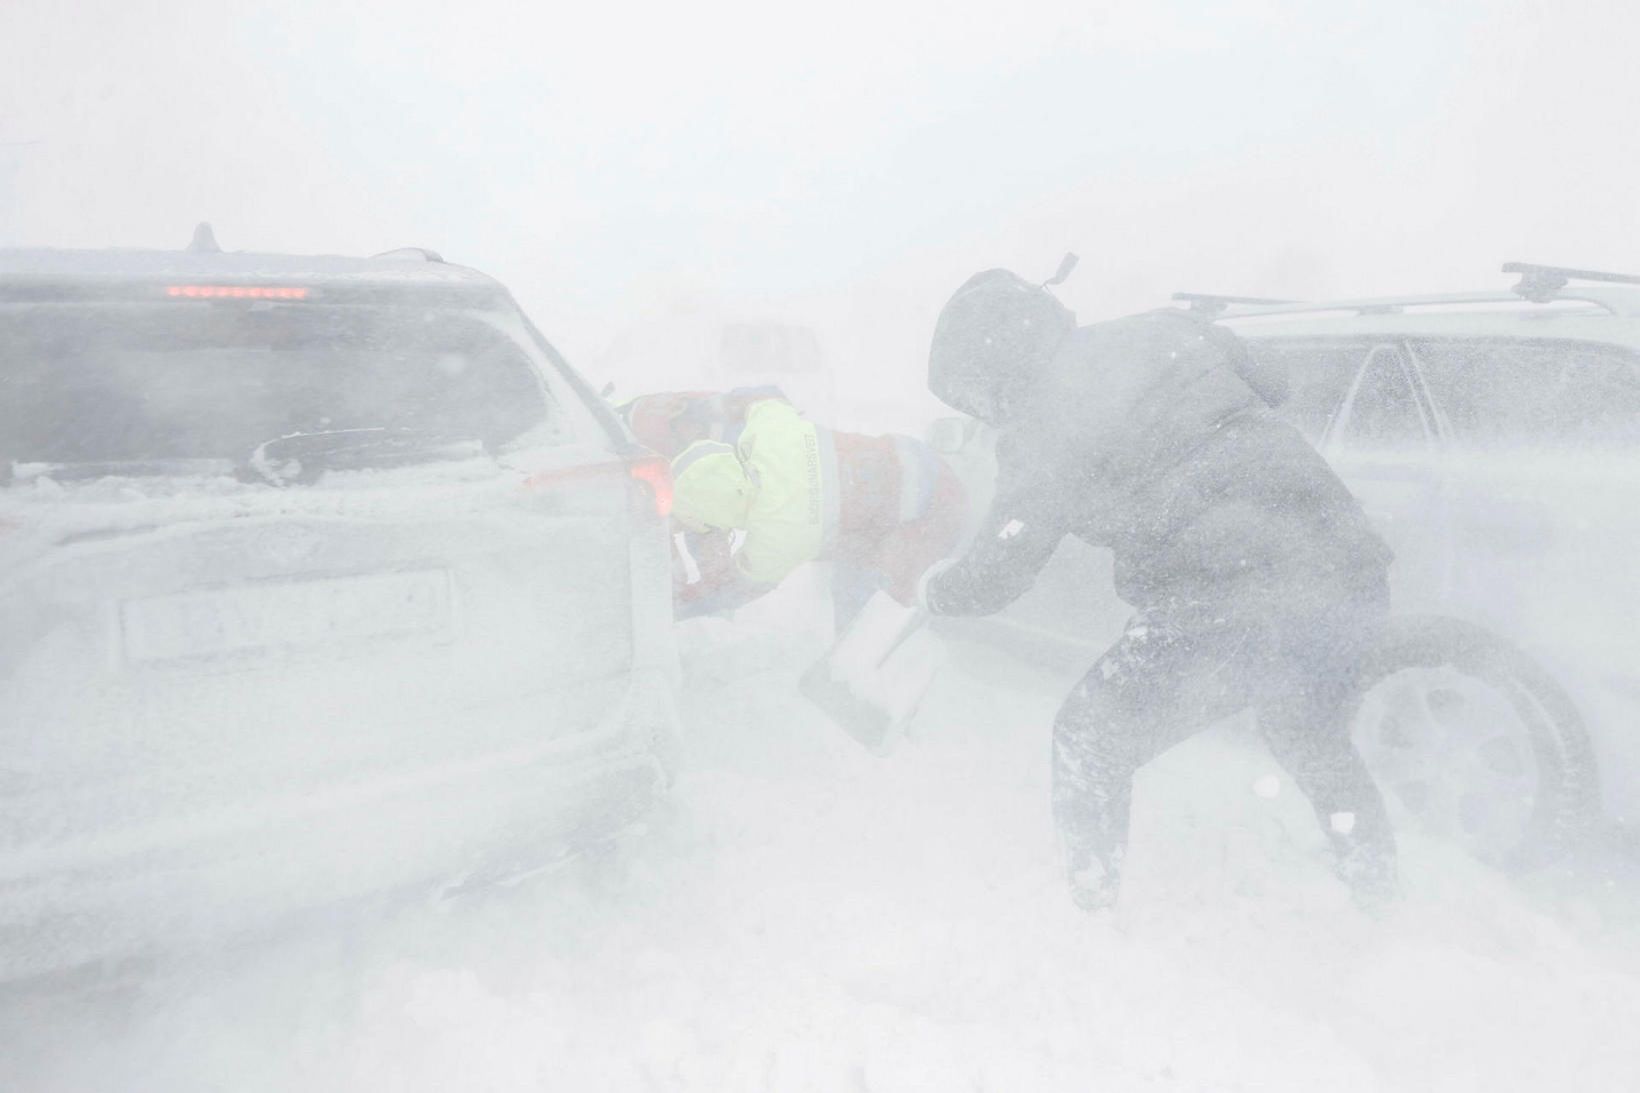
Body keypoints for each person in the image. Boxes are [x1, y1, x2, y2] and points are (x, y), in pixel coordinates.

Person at [916, 263, 1398, 911]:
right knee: (1308, 728)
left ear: (991, 368)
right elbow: (1277, 380)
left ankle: (1091, 912)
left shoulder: (1040, 428)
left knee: (1090, 737)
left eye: (973, 391)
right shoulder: (1164, 327)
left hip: (1225, 596)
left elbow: (998, 574)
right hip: (1347, 563)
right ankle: (1375, 885)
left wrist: (932, 592)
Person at [618, 388, 965, 628]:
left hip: (927, 514)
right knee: (855, 557)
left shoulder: (775, 537)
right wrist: (704, 409)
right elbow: (766, 394)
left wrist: (681, 606)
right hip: (920, 458)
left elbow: (739, 587)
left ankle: (880, 674)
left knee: (878, 602)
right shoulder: (767, 430)